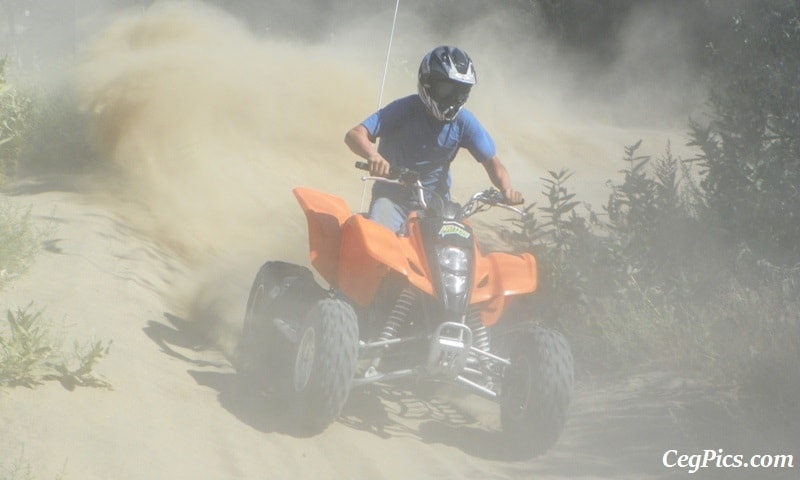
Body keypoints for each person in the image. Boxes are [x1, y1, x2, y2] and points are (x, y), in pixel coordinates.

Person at [345, 45, 524, 233]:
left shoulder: (463, 122)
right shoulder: (405, 109)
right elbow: (355, 135)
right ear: (427, 83)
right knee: (378, 244)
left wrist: (507, 190)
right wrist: (373, 156)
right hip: (392, 201)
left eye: (461, 91)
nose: (454, 99)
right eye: (447, 89)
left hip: (437, 209)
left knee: (462, 251)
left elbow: (493, 163)